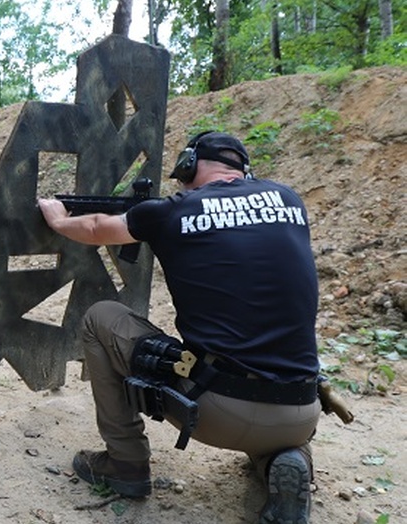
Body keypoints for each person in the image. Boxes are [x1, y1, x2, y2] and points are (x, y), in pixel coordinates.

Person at [38, 131, 321, 523]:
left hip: (218, 410)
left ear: (189, 165)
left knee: (100, 317)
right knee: (267, 374)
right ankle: (285, 458)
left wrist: (57, 217)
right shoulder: (290, 200)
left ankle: (126, 464)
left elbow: (96, 228)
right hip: (303, 412)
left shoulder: (174, 210)